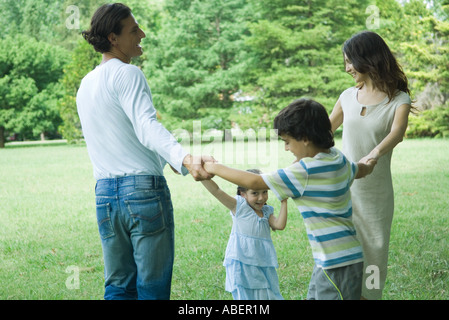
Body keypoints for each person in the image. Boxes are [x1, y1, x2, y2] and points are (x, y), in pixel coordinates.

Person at [76, 3, 213, 300]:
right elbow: (145, 126)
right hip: (142, 195)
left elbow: (123, 136)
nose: (143, 34)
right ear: (113, 38)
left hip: (105, 197)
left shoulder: (85, 85)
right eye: (134, 29)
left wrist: (172, 160)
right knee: (151, 288)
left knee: (118, 286)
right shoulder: (129, 74)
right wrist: (185, 159)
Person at [203, 99, 377, 300]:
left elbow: (255, 181)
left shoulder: (304, 171)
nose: (286, 148)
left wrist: (213, 167)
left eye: (287, 142)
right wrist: (369, 163)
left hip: (333, 263)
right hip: (342, 257)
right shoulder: (338, 159)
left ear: (304, 138)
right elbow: (360, 170)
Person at [329, 31, 413, 300]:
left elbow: (397, 133)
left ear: (367, 59)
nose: (347, 68)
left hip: (376, 193)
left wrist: (374, 154)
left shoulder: (398, 99)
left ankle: (370, 297)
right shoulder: (346, 96)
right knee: (342, 249)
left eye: (349, 61)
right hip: (344, 188)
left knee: (375, 251)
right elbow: (325, 131)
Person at [201, 169, 288, 300]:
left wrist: (284, 201)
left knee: (268, 293)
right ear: (243, 194)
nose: (261, 198)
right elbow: (216, 191)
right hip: (243, 264)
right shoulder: (240, 207)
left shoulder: (266, 211)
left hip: (263, 262)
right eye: (255, 193)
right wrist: (201, 176)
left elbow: (280, 225)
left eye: (265, 192)